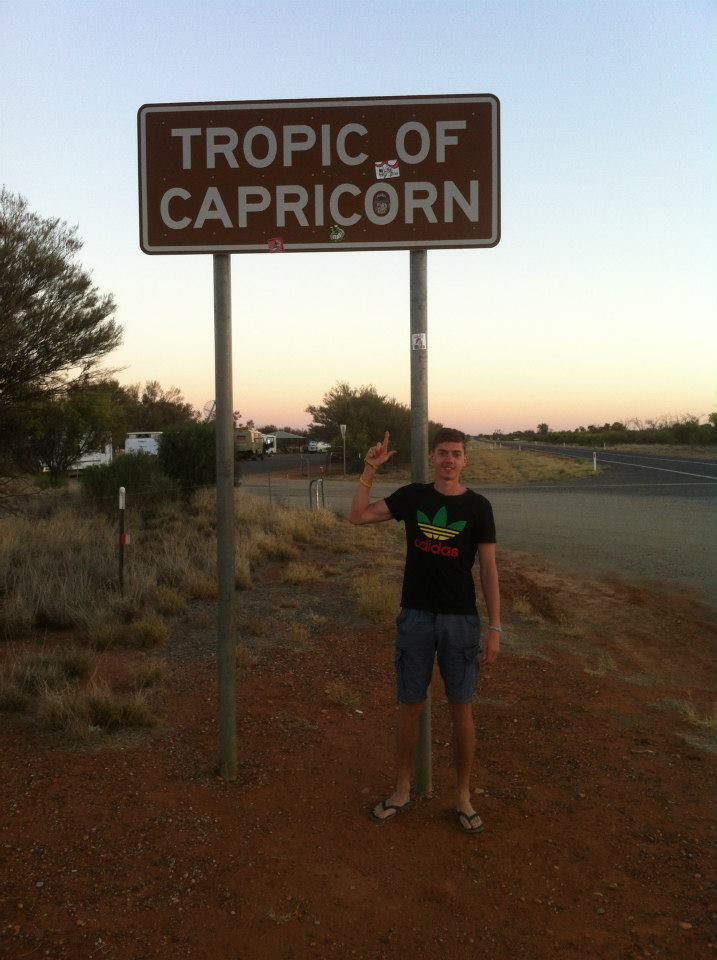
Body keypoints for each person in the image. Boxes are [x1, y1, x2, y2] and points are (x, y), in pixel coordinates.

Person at [349, 428, 501, 835]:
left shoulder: (478, 506)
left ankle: (463, 796)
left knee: (461, 707)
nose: (449, 460)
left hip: (460, 621)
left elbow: (488, 569)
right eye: (443, 453)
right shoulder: (414, 497)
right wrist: (369, 468)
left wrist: (495, 627)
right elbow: (358, 516)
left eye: (457, 453)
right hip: (415, 616)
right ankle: (401, 790)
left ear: (465, 460)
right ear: (432, 458)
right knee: (409, 704)